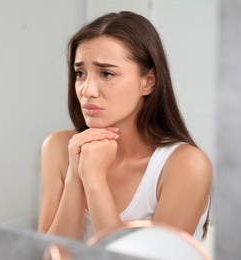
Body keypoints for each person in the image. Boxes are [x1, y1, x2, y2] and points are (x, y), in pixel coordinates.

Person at [37, 11, 212, 242]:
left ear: (148, 82)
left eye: (107, 74)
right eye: (80, 73)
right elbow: (48, 256)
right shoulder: (60, 147)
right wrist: (75, 177)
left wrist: (96, 182)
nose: (87, 90)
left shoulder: (185, 165)